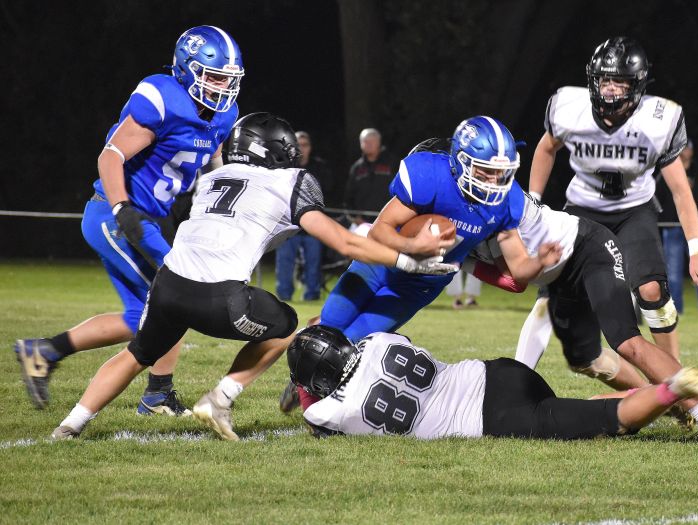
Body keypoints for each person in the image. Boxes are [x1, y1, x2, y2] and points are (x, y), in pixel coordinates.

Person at [49, 113, 459, 441]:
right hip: (219, 297)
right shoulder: (290, 182)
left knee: (136, 354)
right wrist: (407, 261)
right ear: (279, 153)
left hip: (169, 282)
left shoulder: (211, 179)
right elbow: (346, 244)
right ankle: (221, 397)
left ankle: (70, 424)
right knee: (286, 325)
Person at [14, 26, 245, 415]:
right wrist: (123, 208)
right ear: (188, 70)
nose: (222, 87)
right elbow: (110, 156)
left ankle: (44, 351)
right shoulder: (161, 98)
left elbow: (215, 156)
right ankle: (157, 394)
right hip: (115, 213)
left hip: (151, 218)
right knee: (178, 294)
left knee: (143, 315)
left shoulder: (224, 113)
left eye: (228, 78)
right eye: (214, 76)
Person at [285, 117, 563, 413]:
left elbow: (516, 274)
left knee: (349, 346)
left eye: (501, 173)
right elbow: (380, 230)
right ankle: (302, 382)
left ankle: (313, 411)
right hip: (379, 264)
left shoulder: (507, 201)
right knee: (329, 328)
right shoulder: (431, 175)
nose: (494, 182)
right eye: (485, 171)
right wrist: (412, 247)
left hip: (417, 287)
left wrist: (539, 263)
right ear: (460, 161)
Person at [465, 192, 698, 443]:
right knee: (585, 359)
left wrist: (462, 261)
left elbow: (516, 281)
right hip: (559, 276)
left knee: (626, 340)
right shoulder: (473, 211)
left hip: (588, 248)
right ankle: (661, 400)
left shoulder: (493, 204)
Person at [529, 37, 698, 361]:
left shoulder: (658, 120)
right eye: (605, 80)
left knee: (652, 290)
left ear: (638, 85)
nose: (611, 89)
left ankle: (675, 378)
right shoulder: (571, 108)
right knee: (551, 294)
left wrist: (696, 250)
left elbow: (681, 190)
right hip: (582, 209)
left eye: (620, 81)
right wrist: (533, 200)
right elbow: (546, 148)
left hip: (633, 210)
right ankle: (521, 373)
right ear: (593, 80)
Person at [287, 325, 698, 441]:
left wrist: (301, 389)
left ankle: (673, 389)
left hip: (492, 417)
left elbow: (310, 410)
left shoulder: (331, 411)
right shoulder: (380, 340)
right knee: (573, 408)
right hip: (497, 373)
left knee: (611, 422)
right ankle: (662, 396)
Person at [656, 140, 698, 314]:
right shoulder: (668, 170)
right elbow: (657, 196)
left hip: (696, 228)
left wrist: (691, 189)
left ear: (692, 151)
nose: (685, 152)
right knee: (673, 273)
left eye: (688, 148)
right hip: (673, 226)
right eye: (682, 148)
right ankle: (677, 309)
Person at [274, 131, 333, 301]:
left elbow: (327, 189)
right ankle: (283, 296)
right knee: (285, 262)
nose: (301, 148)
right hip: (288, 223)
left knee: (313, 263)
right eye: (298, 144)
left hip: (313, 225)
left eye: (305, 145)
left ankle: (312, 295)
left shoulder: (319, 168)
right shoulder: (283, 167)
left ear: (310, 148)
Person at [342, 128, 397, 224]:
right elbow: (349, 196)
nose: (369, 144)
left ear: (379, 142)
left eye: (372, 141)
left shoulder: (393, 163)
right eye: (365, 141)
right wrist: (354, 217)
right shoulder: (356, 168)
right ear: (360, 144)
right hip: (363, 222)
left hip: (390, 220)